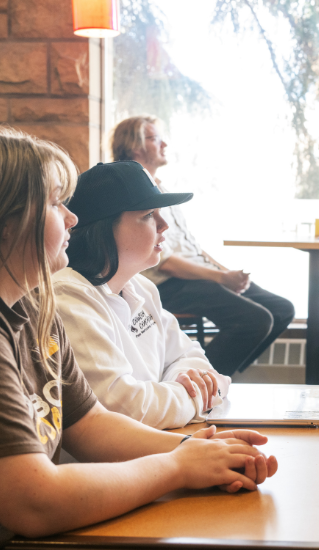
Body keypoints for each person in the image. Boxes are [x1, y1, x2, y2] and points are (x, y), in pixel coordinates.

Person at [0, 127, 277, 549]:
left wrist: (197, 447)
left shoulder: (33, 303)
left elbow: (90, 425)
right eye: (57, 204)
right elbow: (33, 502)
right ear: (4, 221)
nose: (73, 217)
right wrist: (177, 466)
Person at [110, 116, 295, 376]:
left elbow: (192, 246)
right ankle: (203, 383)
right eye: (155, 138)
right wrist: (220, 277)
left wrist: (226, 272)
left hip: (196, 272)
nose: (165, 144)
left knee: (282, 309)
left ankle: (220, 375)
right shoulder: (130, 190)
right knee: (254, 320)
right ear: (134, 146)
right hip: (169, 281)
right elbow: (165, 260)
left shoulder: (161, 186)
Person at [54, 161, 231, 430]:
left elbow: (190, 355)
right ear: (103, 229)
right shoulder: (68, 296)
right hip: (108, 468)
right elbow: (124, 407)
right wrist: (193, 397)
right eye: (149, 215)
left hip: (158, 449)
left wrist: (182, 384)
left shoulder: (141, 287)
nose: (163, 225)